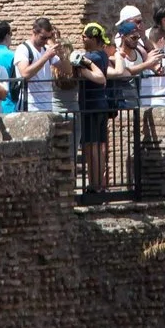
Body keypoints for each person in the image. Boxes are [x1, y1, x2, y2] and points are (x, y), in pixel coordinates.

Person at [74, 22, 113, 197]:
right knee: (98, 145)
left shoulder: (93, 58)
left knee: (92, 146)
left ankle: (94, 184)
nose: (82, 39)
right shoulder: (103, 55)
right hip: (101, 105)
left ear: (93, 38)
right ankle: (97, 183)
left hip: (91, 105)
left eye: (85, 37)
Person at [24, 18, 63, 118]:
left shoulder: (46, 49)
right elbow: (25, 74)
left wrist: (62, 53)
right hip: (31, 108)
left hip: (47, 106)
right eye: (43, 38)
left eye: (48, 38)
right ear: (34, 32)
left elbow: (66, 69)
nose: (45, 41)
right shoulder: (24, 49)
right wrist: (46, 57)